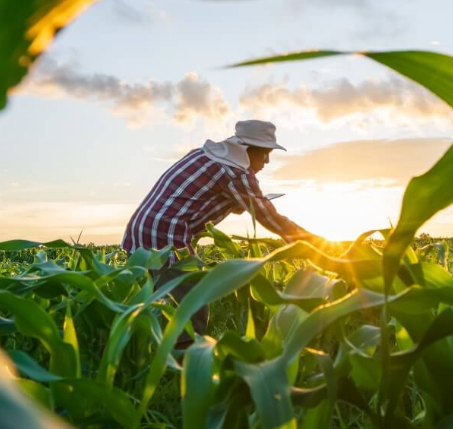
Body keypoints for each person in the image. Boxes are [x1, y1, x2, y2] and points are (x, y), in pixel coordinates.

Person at [121, 120, 321, 342]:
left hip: (141, 232)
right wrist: (314, 244)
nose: (267, 161)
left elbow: (200, 197)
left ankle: (150, 352)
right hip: (165, 237)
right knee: (192, 303)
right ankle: (184, 364)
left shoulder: (204, 156)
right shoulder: (235, 172)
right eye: (264, 153)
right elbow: (270, 218)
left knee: (157, 302)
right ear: (246, 149)